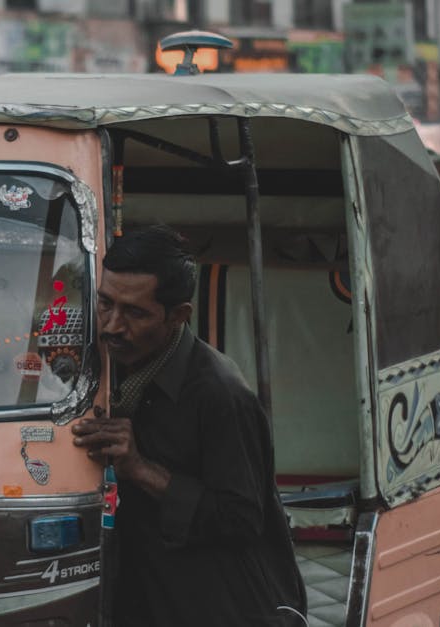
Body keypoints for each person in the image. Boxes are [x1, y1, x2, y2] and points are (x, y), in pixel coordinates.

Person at [71, 226, 306, 626]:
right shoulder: (104, 368)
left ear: (179, 315)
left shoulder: (220, 394)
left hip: (223, 609)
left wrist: (141, 469)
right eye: (105, 304)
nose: (112, 325)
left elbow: (241, 518)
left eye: (135, 312)